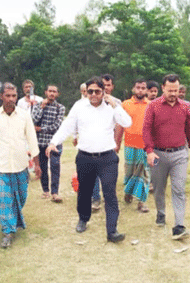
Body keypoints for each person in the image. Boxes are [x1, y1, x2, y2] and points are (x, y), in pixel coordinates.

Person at [47, 77, 132, 243]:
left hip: (107, 157)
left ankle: (112, 231)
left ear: (104, 92)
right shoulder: (80, 106)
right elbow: (67, 126)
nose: (93, 94)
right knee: (84, 191)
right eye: (90, 91)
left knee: (110, 193)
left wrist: (115, 106)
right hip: (85, 157)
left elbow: (127, 122)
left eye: (97, 91)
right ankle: (83, 219)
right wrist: (53, 142)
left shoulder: (112, 106)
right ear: (86, 92)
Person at [143, 74, 190, 240]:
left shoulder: (185, 107)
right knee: (159, 188)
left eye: (176, 90)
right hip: (158, 154)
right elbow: (146, 129)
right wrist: (149, 151)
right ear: (163, 88)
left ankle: (179, 225)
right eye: (170, 90)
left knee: (179, 188)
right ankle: (161, 213)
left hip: (180, 154)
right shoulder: (153, 106)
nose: (173, 94)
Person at [0, 82, 41, 248]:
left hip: (21, 165)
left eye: (14, 96)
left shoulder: (24, 116)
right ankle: (7, 231)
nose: (11, 99)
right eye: (7, 96)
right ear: (1, 96)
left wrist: (36, 165)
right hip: (0, 166)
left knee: (21, 197)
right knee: (3, 200)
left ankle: (12, 220)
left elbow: (32, 140)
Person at [89, 73, 123, 210]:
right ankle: (95, 198)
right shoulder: (91, 102)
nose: (107, 88)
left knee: (109, 173)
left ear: (112, 87)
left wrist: (117, 143)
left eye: (109, 85)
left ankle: (109, 197)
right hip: (94, 143)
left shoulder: (117, 103)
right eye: (104, 85)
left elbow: (120, 124)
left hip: (110, 144)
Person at [31, 85, 66, 203]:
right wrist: (41, 107)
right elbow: (33, 121)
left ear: (58, 94)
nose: (52, 93)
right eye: (50, 91)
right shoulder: (37, 105)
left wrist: (40, 129)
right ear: (45, 92)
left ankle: (55, 193)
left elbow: (56, 126)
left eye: (54, 92)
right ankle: (45, 190)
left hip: (54, 142)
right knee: (43, 167)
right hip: (40, 142)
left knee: (55, 166)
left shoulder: (60, 108)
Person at [120, 78, 150, 213]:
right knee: (129, 171)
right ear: (133, 89)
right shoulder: (125, 104)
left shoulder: (151, 105)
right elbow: (120, 125)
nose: (140, 90)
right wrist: (116, 143)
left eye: (143, 88)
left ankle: (141, 202)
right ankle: (128, 192)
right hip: (129, 144)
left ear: (146, 90)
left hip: (145, 146)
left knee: (144, 173)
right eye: (138, 87)